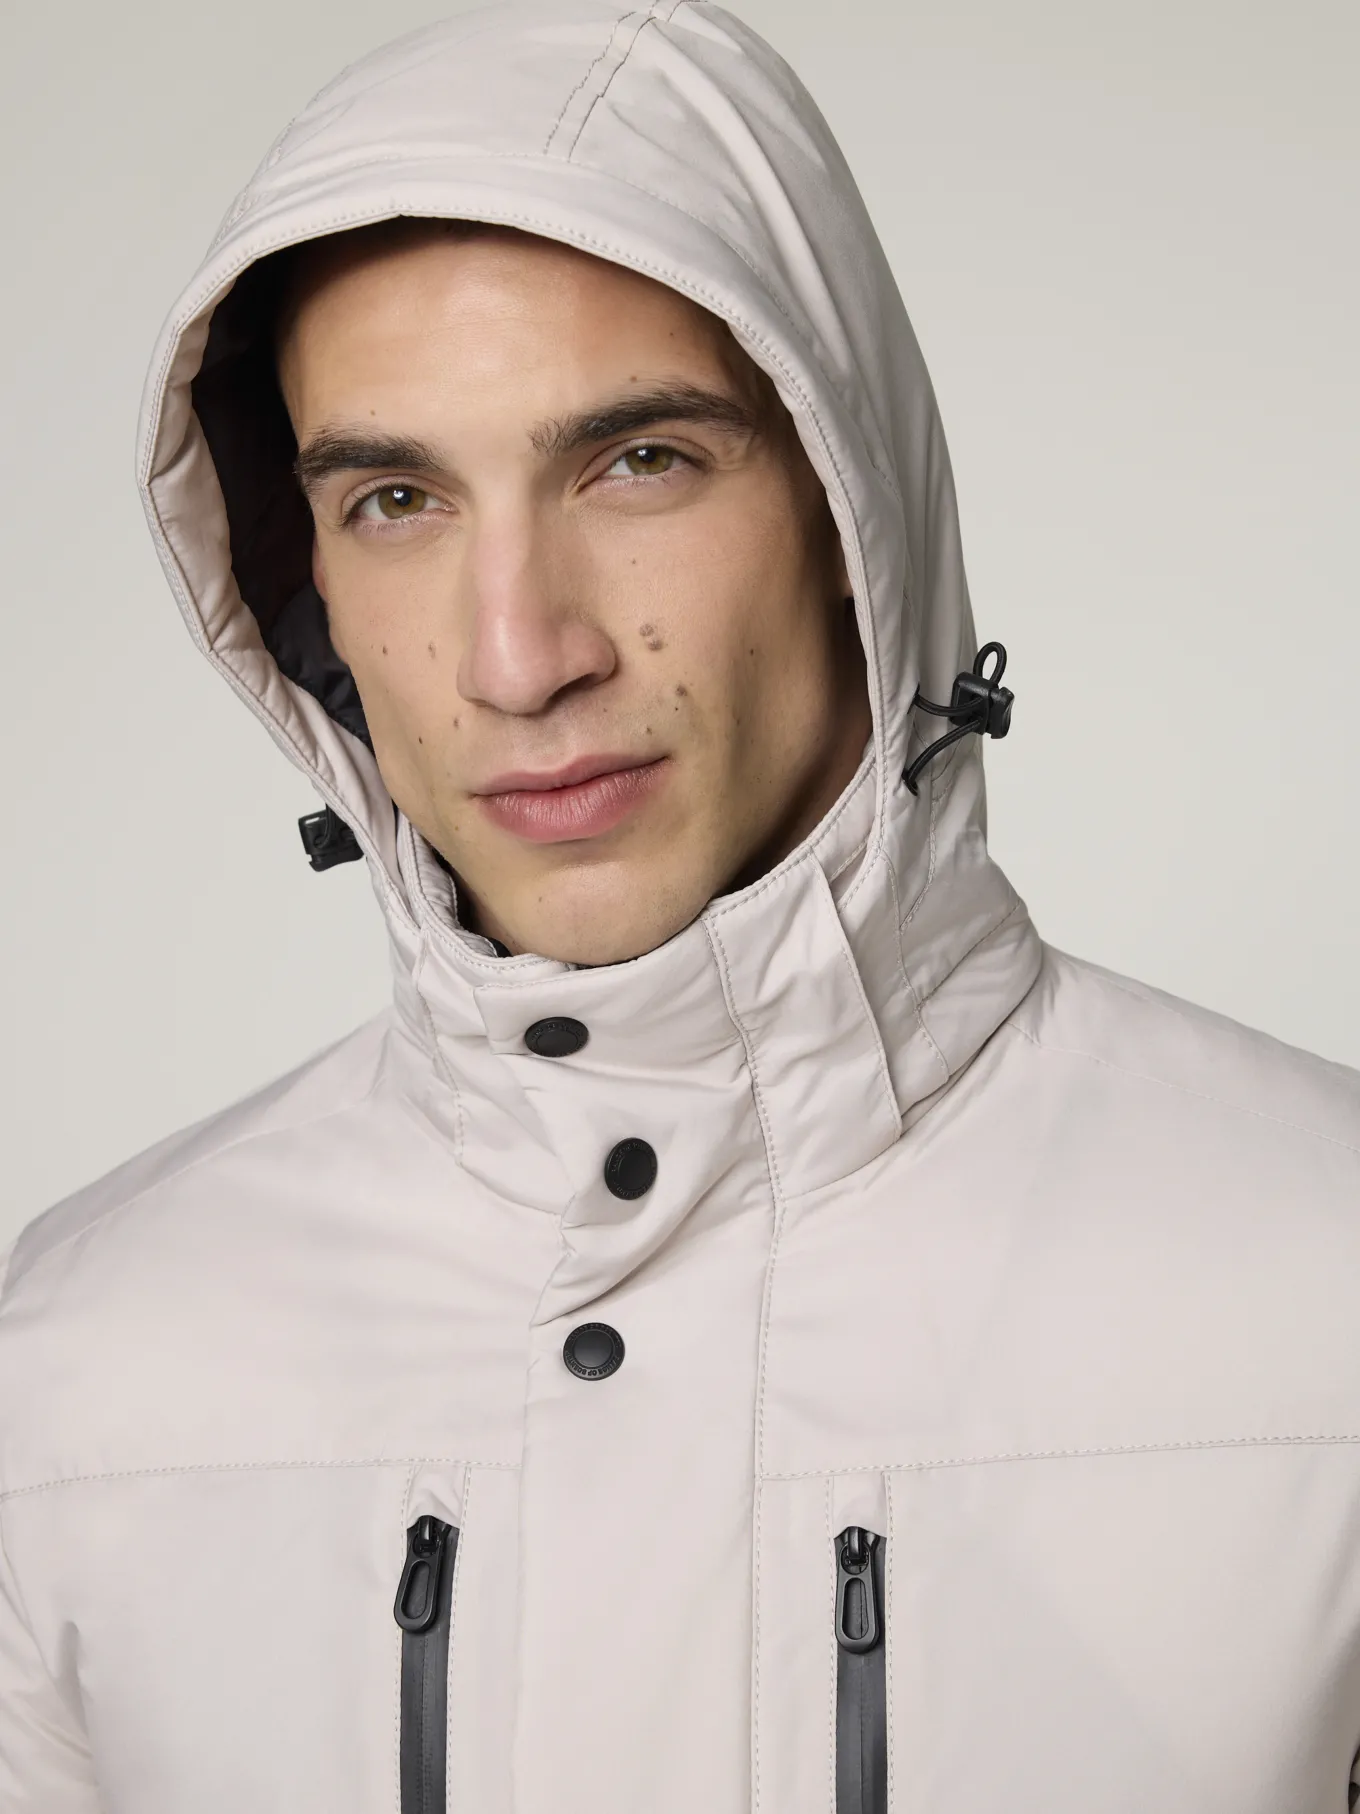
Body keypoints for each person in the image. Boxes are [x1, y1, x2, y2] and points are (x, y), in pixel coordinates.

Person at [1, 2, 1357, 1808]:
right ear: (300, 569)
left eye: (639, 461)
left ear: (849, 497)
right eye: (396, 498)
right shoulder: (76, 1365)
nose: (519, 655)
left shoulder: (1325, 1281)